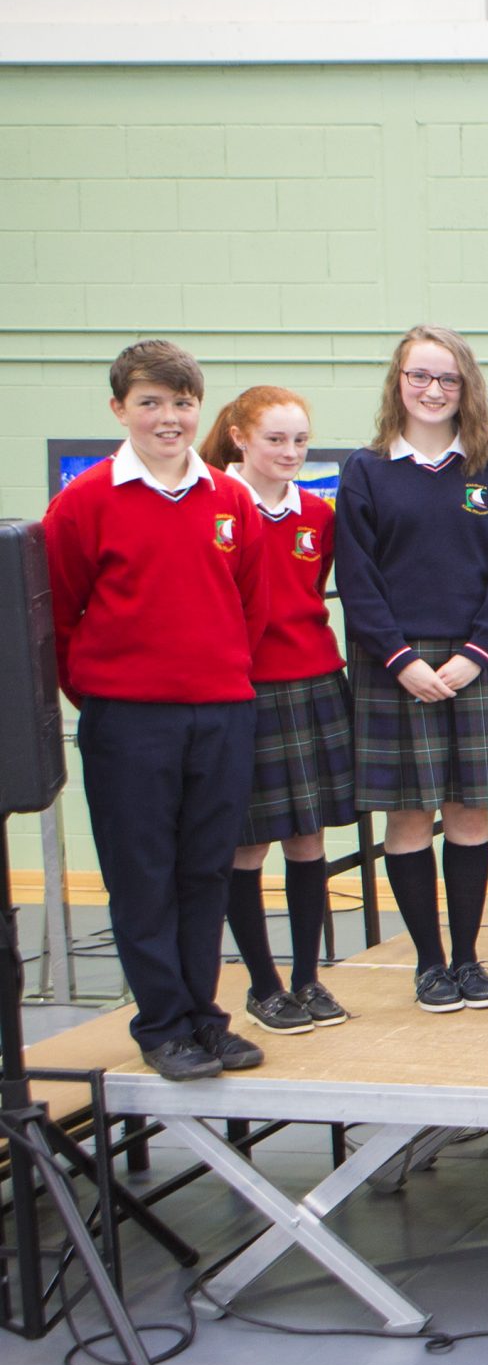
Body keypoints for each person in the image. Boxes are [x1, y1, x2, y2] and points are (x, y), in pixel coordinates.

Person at [46, 342, 270, 1080]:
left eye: (180, 403)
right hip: (128, 721)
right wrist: (105, 692)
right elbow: (60, 614)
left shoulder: (231, 499)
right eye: (150, 402)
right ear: (120, 410)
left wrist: (221, 682)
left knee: (206, 871)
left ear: (198, 409)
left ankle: (204, 1017)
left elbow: (250, 607)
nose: (168, 418)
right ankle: (162, 1023)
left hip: (221, 714)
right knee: (142, 875)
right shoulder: (84, 502)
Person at [337, 325, 488, 1014]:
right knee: (411, 817)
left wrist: (474, 654)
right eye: (419, 376)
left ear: (465, 387)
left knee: (469, 812)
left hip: (475, 662)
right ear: (399, 382)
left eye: (446, 378)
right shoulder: (366, 470)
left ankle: (469, 957)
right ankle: (428, 963)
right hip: (396, 667)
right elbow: (356, 579)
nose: (432, 390)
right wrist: (399, 660)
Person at [204, 385, 354, 1035]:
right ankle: (263, 985)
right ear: (239, 436)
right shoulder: (215, 506)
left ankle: (307, 978)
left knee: (308, 835)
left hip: (316, 681)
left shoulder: (317, 516)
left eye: (300, 440)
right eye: (275, 439)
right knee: (248, 840)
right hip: (246, 689)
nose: (290, 452)